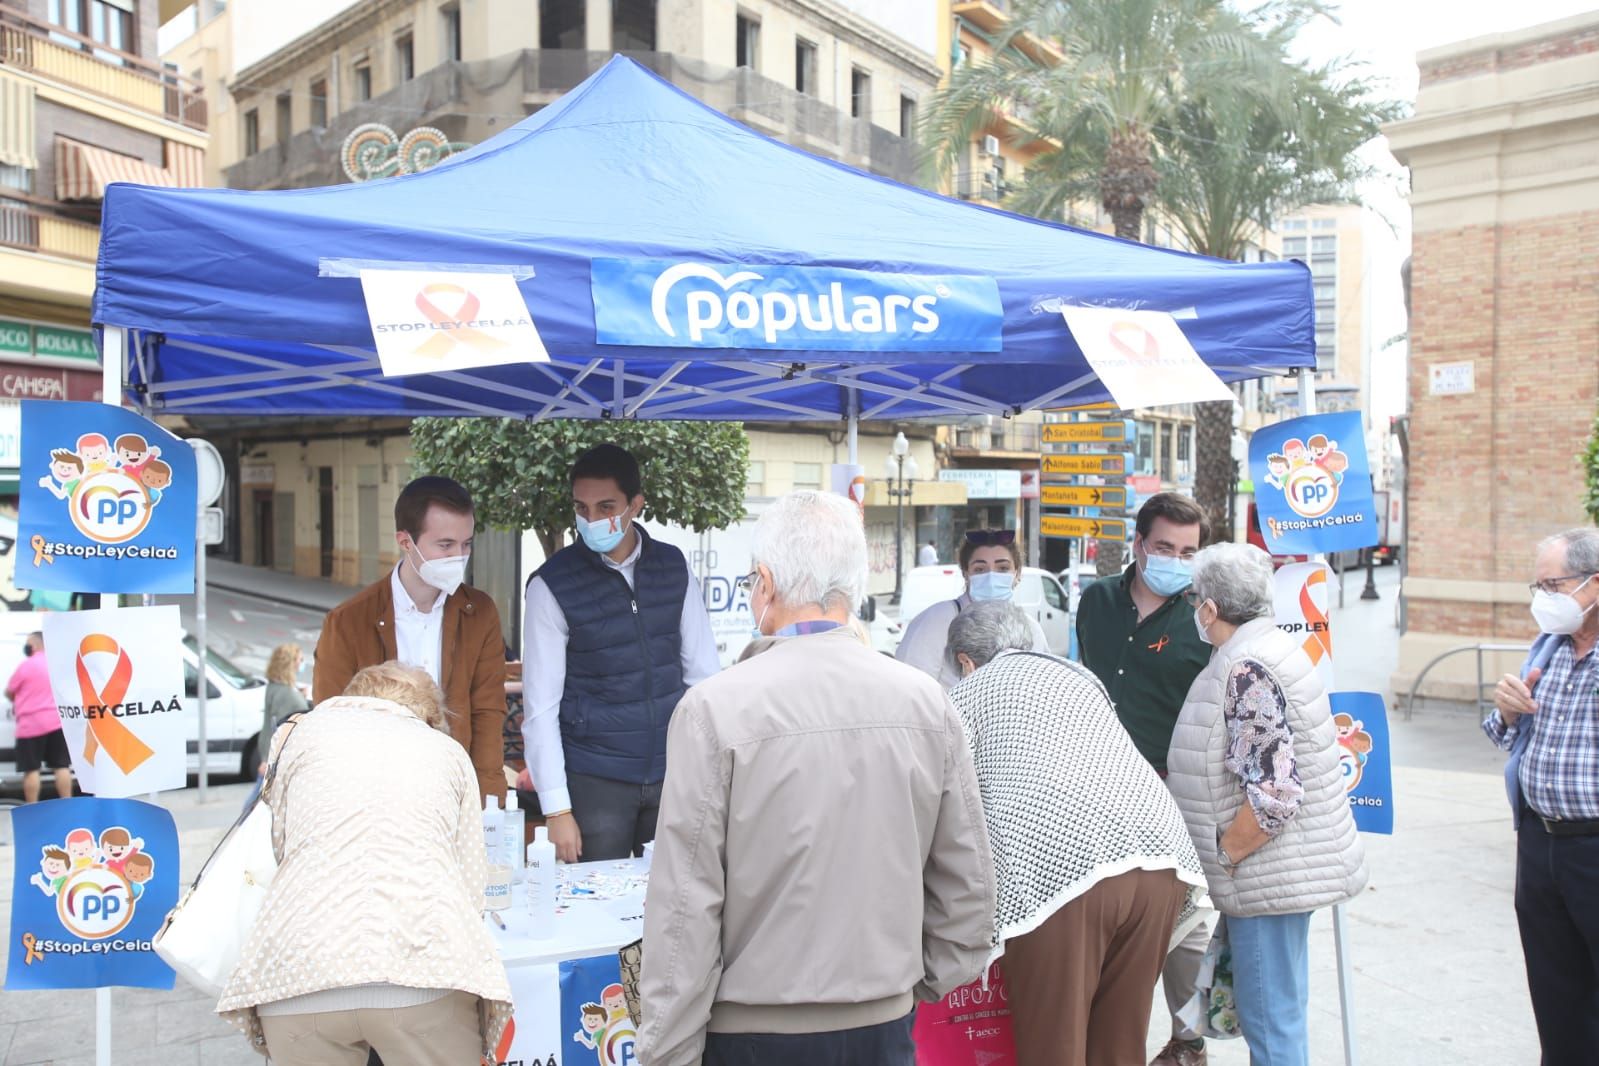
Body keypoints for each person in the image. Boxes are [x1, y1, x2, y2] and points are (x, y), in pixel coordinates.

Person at [637, 491, 995, 1066]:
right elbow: (968, 884)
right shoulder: (927, 703)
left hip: (753, 1028)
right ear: (852, 587)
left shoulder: (714, 710)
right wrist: (917, 982)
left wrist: (666, 1051)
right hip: (883, 1018)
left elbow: (685, 908)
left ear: (766, 582)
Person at [947, 603, 1206, 1066]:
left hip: (1064, 872)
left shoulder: (969, 693)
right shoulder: (1079, 677)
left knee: (1055, 1044)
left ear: (966, 662)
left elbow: (949, 803)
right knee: (1120, 1040)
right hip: (1161, 856)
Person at [218, 662, 513, 1065]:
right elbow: (469, 886)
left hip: (297, 969)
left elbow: (281, 846)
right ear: (429, 716)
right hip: (423, 968)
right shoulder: (446, 752)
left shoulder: (298, 735)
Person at [1166, 543, 1367, 1066]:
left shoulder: (1248, 667)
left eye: (1195, 601)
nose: (1194, 611)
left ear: (1210, 608)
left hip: (1263, 879)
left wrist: (1226, 858)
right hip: (1269, 880)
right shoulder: (1263, 650)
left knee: (1271, 1027)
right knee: (1276, 1017)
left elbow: (1275, 794)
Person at [521, 444, 719, 863]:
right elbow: (540, 708)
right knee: (593, 916)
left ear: (635, 506)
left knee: (675, 910)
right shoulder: (551, 586)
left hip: (672, 774)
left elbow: (702, 678)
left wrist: (703, 771)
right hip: (595, 780)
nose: (591, 520)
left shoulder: (672, 567)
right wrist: (557, 809)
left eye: (605, 506)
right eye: (581, 507)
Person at [1074, 492, 1213, 1066]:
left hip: (1171, 795)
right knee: (1102, 920)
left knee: (1186, 925)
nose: (1175, 560)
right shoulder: (1096, 601)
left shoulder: (1202, 619)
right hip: (1094, 790)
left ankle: (1189, 1040)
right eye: (1164, 547)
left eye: (1188, 551)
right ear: (1138, 545)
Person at [314, 476, 506, 802]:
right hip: (375, 794)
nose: (459, 556)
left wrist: (489, 804)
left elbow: (487, 712)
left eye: (467, 543)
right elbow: (329, 722)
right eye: (445, 545)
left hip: (454, 790)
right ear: (405, 542)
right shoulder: (347, 622)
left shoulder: (480, 612)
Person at [1487, 527, 1599, 1062]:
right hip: (1540, 844)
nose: (1543, 600)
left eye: (1552, 585)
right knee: (1555, 994)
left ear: (1594, 585)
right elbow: (1504, 732)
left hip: (1594, 848)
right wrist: (1507, 710)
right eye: (1537, 587)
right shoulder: (1550, 646)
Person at [895, 529, 1049, 688]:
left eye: (1002, 568)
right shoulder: (938, 620)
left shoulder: (1031, 630)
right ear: (966, 574)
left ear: (1017, 574)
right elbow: (910, 690)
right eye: (980, 569)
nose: (991, 576)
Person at [243, 644, 310, 811]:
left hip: (269, 752)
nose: (303, 663)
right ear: (291, 663)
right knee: (258, 800)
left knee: (260, 796)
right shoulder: (287, 694)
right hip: (276, 756)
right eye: (300, 659)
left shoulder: (274, 687)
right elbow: (285, 726)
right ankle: (243, 825)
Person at [8, 632, 73, 802]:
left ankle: (32, 807)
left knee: (31, 770)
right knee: (61, 766)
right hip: (56, 722)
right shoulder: (56, 665)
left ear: (35, 645)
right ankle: (67, 803)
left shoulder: (26, 666)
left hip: (30, 725)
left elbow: (9, 691)